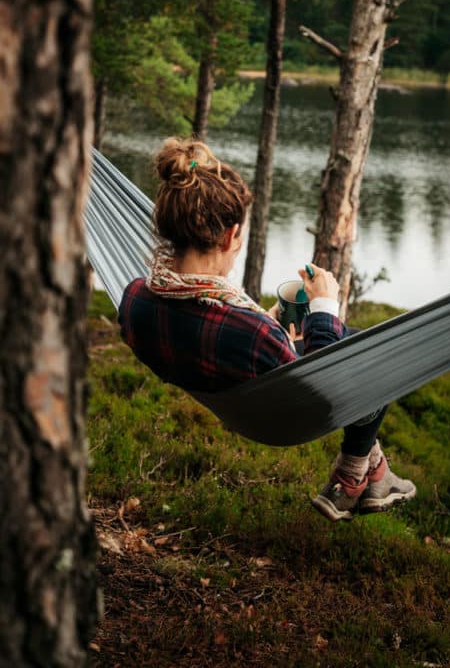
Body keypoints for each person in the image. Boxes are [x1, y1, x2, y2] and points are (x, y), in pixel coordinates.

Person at [118, 138, 416, 522]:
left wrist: (270, 326)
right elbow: (321, 384)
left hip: (216, 382)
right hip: (279, 416)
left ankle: (369, 474)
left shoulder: (135, 298)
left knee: (355, 339)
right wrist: (325, 306)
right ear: (230, 236)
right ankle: (353, 473)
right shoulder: (253, 332)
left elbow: (208, 330)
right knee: (376, 357)